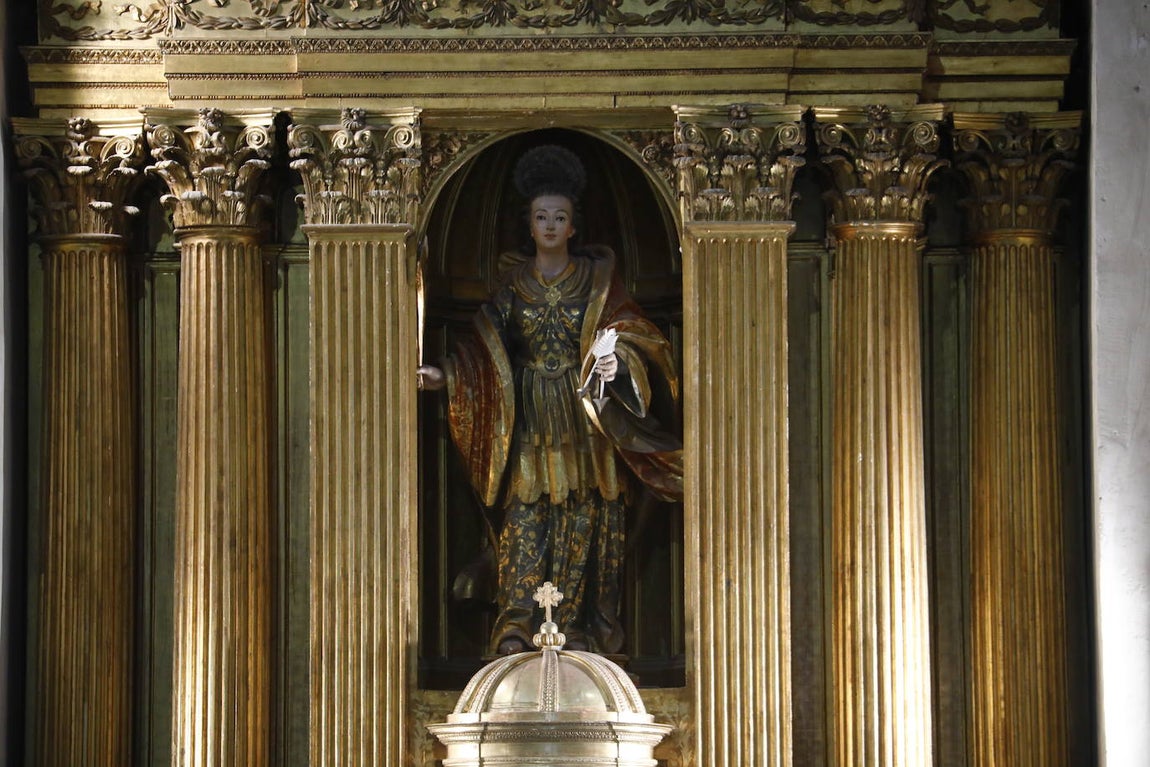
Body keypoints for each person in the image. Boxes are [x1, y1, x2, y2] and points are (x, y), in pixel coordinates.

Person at [417, 144, 682, 656]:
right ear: (530, 224)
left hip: (587, 416)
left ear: (573, 225)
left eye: (560, 217)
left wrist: (618, 361)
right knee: (526, 515)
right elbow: (484, 350)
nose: (551, 225)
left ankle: (578, 625)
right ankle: (518, 623)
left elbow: (635, 334)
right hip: (527, 414)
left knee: (587, 513)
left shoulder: (597, 280)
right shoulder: (513, 284)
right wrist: (447, 374)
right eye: (542, 217)